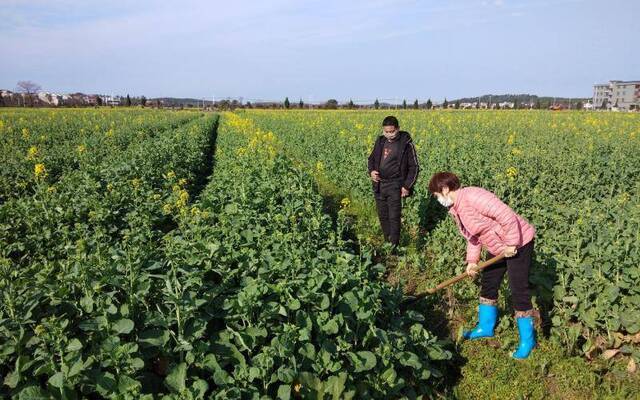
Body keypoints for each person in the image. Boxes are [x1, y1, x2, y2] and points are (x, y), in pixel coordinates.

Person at [428, 171, 537, 359]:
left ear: (445, 189)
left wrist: (512, 242)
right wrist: (472, 262)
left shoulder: (474, 196)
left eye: (437, 196)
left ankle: (528, 341)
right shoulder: (456, 208)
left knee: (518, 289)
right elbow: (473, 237)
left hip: (519, 243)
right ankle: (486, 327)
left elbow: (506, 215)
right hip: (498, 245)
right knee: (489, 282)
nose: (438, 200)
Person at [367, 116, 419, 249]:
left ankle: (394, 246)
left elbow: (414, 167)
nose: (389, 134)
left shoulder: (406, 143)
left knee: (394, 216)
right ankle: (387, 241)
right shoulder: (380, 141)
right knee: (383, 215)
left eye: (392, 131)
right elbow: (371, 159)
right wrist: (371, 171)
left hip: (395, 184)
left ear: (398, 129)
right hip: (379, 184)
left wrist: (407, 186)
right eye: (386, 132)